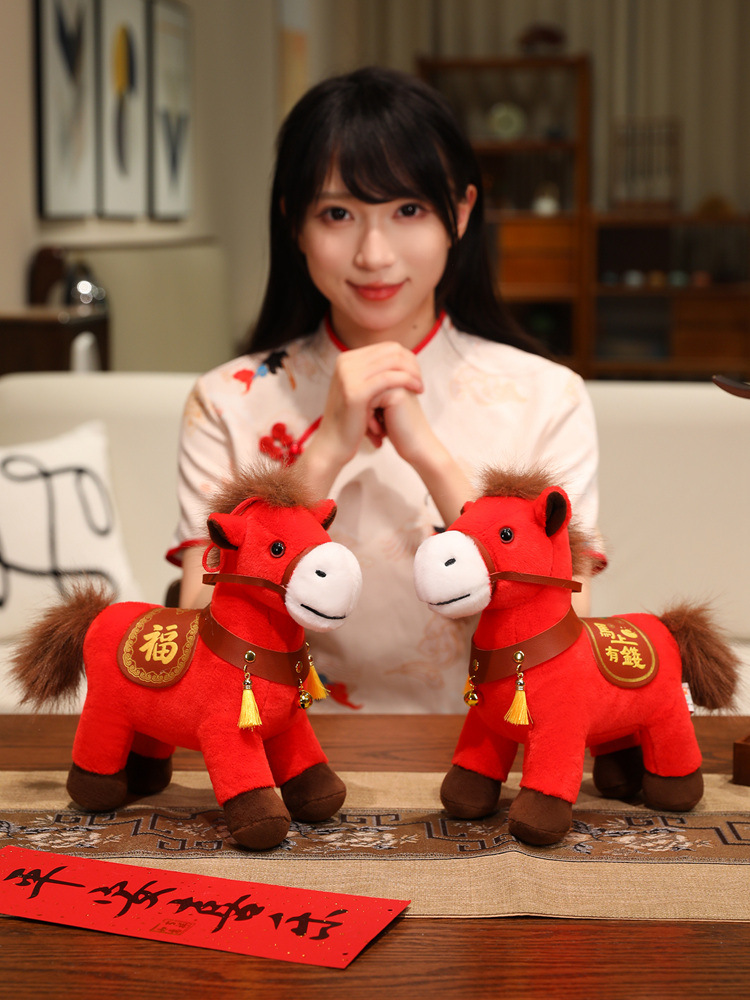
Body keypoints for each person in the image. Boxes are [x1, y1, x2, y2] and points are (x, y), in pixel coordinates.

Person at [168, 66, 605, 713]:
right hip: (277, 750)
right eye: (337, 213)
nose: (374, 254)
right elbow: (198, 633)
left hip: (486, 747)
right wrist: (324, 454)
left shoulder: (548, 396)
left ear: (460, 213)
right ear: (294, 222)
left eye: (408, 210)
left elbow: (562, 632)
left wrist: (430, 457)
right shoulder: (226, 400)